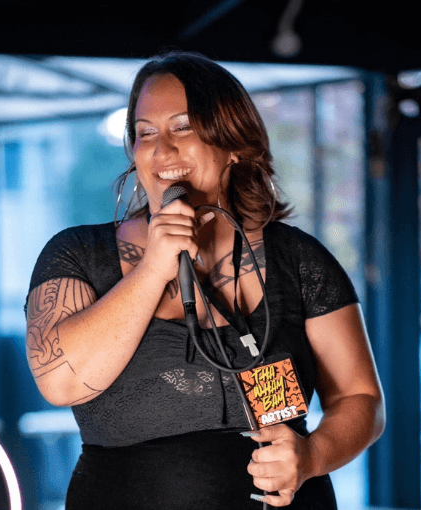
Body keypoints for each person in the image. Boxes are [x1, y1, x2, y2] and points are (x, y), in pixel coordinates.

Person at [25, 51, 385, 509]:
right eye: (145, 133)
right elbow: (61, 383)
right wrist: (156, 265)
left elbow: (361, 398)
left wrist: (312, 454)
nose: (162, 149)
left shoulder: (297, 258)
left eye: (182, 127)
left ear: (234, 142)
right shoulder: (79, 253)